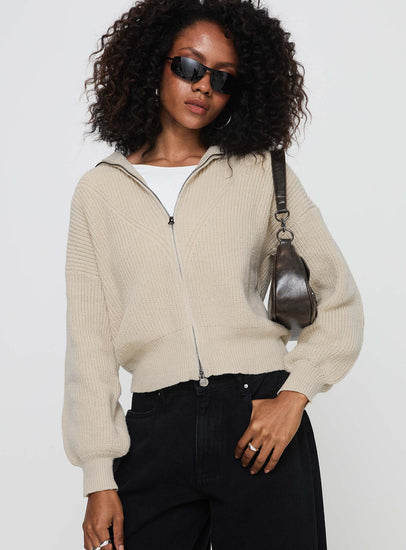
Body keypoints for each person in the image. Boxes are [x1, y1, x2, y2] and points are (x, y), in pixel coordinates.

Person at [61, 1, 364, 549]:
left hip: (259, 418)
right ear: (153, 64)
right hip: (155, 430)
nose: (203, 85)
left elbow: (338, 298)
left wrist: (294, 396)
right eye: (189, 67)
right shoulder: (99, 192)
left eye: (223, 78)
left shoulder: (260, 170)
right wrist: (98, 477)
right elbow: (90, 344)